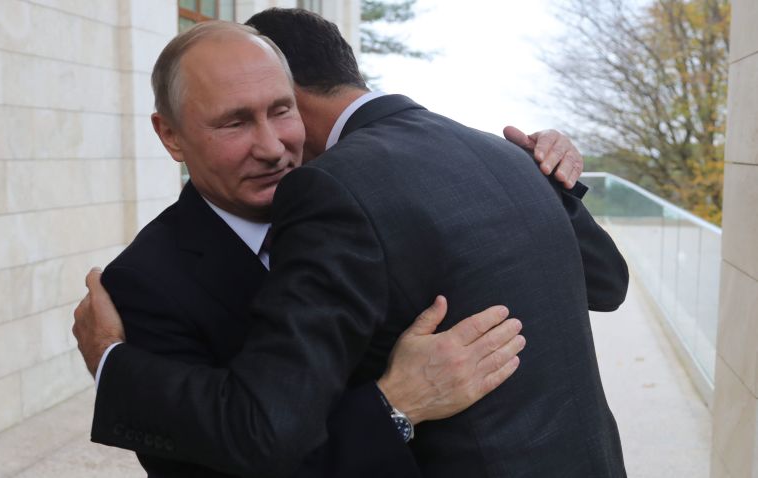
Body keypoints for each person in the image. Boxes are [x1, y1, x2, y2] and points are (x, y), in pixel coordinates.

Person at [74, 12, 628, 478]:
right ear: (170, 134)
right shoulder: (143, 285)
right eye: (235, 123)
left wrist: (547, 179)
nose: (272, 147)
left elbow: (603, 281)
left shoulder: (367, 198)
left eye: (281, 109)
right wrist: (395, 407)